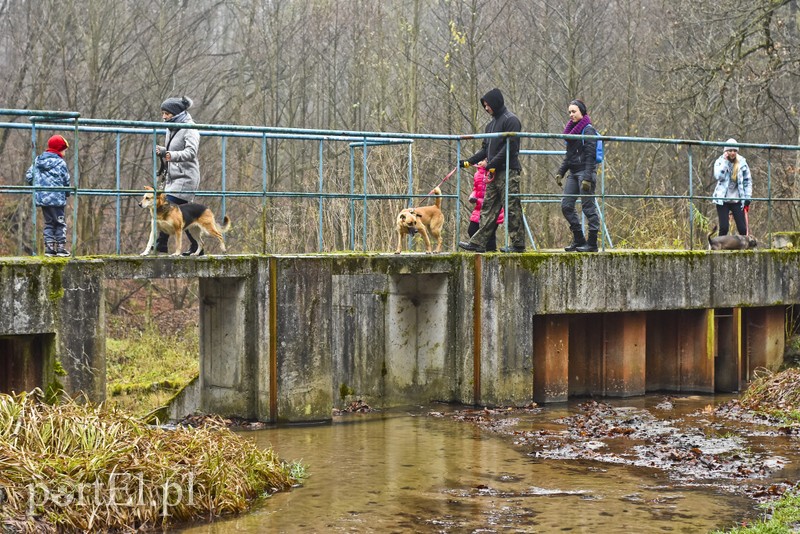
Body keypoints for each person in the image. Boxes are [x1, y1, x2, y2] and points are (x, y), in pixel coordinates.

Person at [457, 88, 525, 253]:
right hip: (493, 173)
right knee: (488, 206)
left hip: (508, 171)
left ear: (495, 102)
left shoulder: (511, 120)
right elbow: (485, 150)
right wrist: (468, 161)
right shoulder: (490, 126)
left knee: (511, 207)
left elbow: (511, 147)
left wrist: (492, 163)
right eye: (484, 106)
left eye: (488, 105)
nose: (486, 108)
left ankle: (518, 244)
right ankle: (479, 242)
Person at [153, 96, 202, 255]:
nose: (164, 117)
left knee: (168, 205)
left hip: (186, 177)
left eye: (166, 113)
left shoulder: (189, 128)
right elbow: (172, 149)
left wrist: (170, 155)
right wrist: (162, 150)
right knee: (182, 213)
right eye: (163, 113)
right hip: (173, 177)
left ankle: (161, 243)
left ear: (176, 113)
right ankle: (196, 247)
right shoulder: (172, 127)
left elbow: (191, 152)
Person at [556, 99, 600, 252]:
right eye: (569, 112)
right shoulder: (571, 132)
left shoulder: (588, 130)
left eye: (574, 111)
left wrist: (587, 177)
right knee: (566, 205)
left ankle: (592, 243)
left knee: (588, 207)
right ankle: (579, 238)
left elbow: (590, 156)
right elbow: (569, 156)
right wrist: (560, 172)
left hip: (585, 172)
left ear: (582, 112)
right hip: (573, 172)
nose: (571, 114)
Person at [26, 135, 72, 257]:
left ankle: (50, 248)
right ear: (59, 149)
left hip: (43, 199)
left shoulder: (38, 160)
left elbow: (29, 176)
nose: (64, 153)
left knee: (49, 222)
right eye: (64, 150)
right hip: (57, 199)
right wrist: (67, 193)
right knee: (60, 222)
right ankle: (61, 248)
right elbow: (66, 180)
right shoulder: (60, 163)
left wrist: (40, 187)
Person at [712, 138, 752, 237]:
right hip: (722, 200)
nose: (732, 153)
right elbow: (718, 177)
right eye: (730, 150)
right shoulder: (720, 161)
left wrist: (747, 197)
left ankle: (743, 250)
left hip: (737, 200)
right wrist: (725, 163)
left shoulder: (742, 162)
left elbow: (747, 181)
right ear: (726, 151)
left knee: (743, 229)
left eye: (734, 150)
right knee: (724, 228)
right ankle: (719, 249)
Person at [467, 162, 504, 252]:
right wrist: (473, 196)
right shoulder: (477, 174)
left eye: (482, 160)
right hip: (479, 207)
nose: (480, 162)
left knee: (490, 234)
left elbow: (494, 194)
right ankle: (481, 249)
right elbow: (476, 189)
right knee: (472, 230)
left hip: (492, 208)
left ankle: (490, 253)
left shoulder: (494, 172)